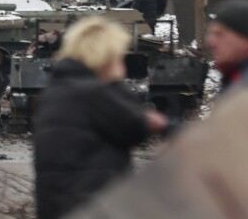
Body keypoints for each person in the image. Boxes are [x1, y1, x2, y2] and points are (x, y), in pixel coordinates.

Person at [33, 16, 167, 219]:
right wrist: (115, 83)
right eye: (118, 56)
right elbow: (134, 126)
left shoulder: (57, 91)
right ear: (104, 56)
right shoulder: (92, 93)